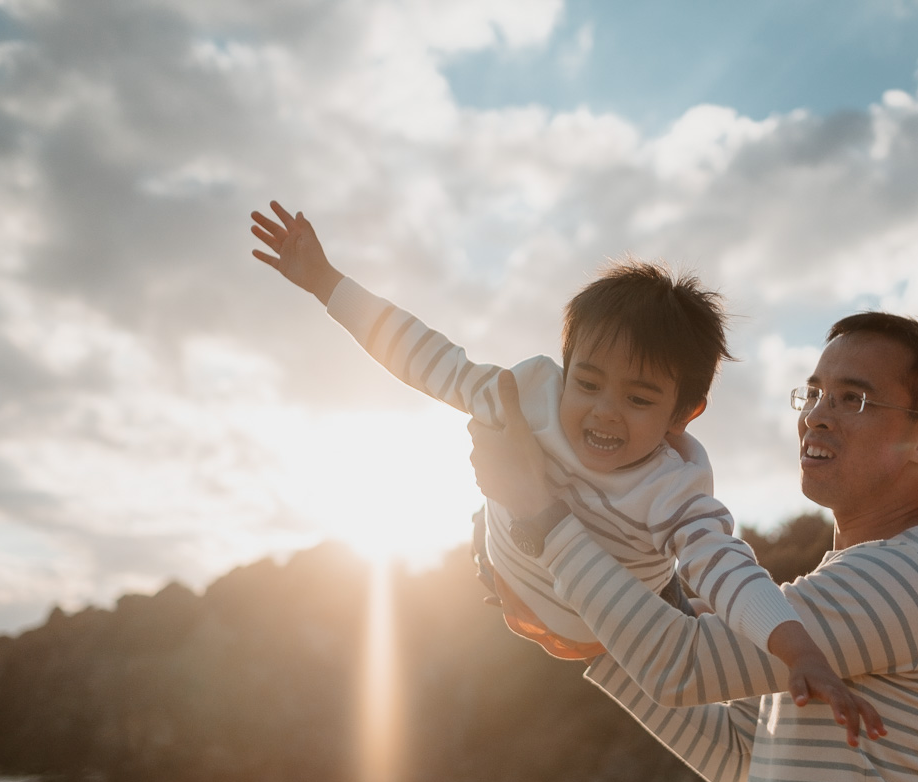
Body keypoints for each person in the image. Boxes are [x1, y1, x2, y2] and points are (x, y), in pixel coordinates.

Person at [248, 200, 883, 743]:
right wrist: (327, 283)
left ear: (682, 414)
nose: (603, 414)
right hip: (505, 570)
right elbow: (427, 356)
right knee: (492, 462)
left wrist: (799, 650)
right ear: (565, 365)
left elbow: (726, 565)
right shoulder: (529, 396)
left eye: (638, 399)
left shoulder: (672, 490)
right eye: (587, 382)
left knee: (697, 623)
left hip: (604, 617)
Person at [468, 312, 918, 782]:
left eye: (854, 398)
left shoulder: (903, 579)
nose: (817, 414)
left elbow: (679, 667)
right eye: (814, 391)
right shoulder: (842, 580)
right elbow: (735, 757)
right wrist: (579, 635)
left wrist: (541, 519)